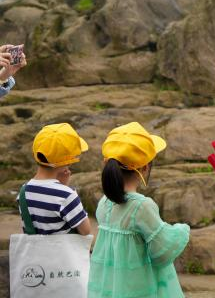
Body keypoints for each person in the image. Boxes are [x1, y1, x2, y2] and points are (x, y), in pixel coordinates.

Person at [88, 122, 189, 298]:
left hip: (112, 287)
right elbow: (162, 251)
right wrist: (181, 230)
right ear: (144, 168)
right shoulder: (141, 206)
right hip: (138, 287)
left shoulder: (104, 203)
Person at [20, 123, 92, 236]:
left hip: (35, 253)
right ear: (68, 161)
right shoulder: (66, 195)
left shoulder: (23, 192)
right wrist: (65, 187)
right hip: (62, 253)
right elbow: (85, 230)